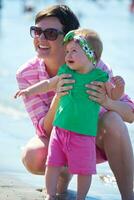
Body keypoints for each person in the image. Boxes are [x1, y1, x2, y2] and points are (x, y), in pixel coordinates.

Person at [15, 4, 134, 200]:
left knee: (113, 120)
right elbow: (43, 130)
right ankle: (60, 184)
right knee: (33, 156)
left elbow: (130, 115)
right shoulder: (26, 73)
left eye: (51, 33)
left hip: (91, 140)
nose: (41, 39)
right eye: (36, 32)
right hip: (59, 136)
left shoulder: (95, 68)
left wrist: (107, 101)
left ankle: (128, 196)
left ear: (69, 39)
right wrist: (58, 97)